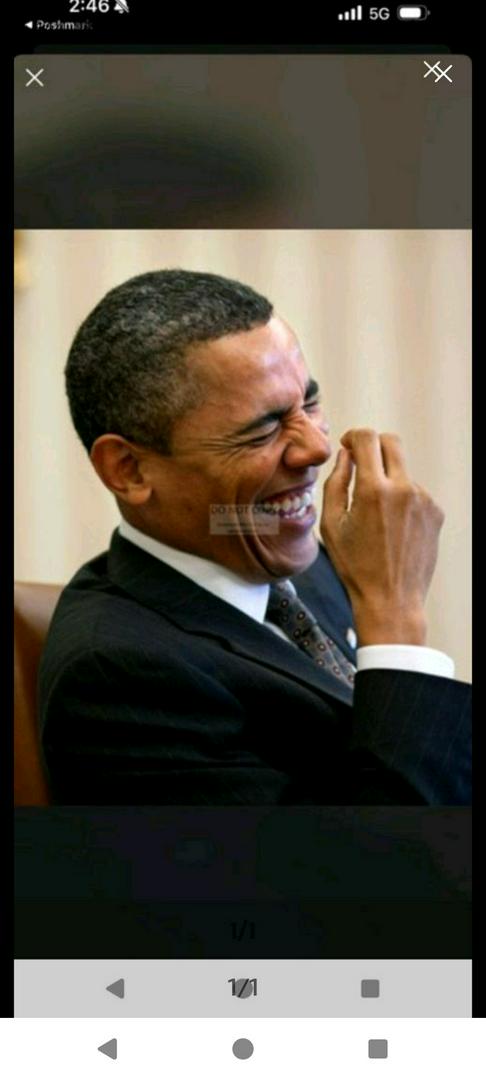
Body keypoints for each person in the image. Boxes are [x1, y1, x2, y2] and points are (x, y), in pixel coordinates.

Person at [39, 269, 471, 805]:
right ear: (129, 469)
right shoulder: (114, 679)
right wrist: (396, 618)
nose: (316, 448)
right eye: (264, 428)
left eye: (309, 403)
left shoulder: (298, 562)